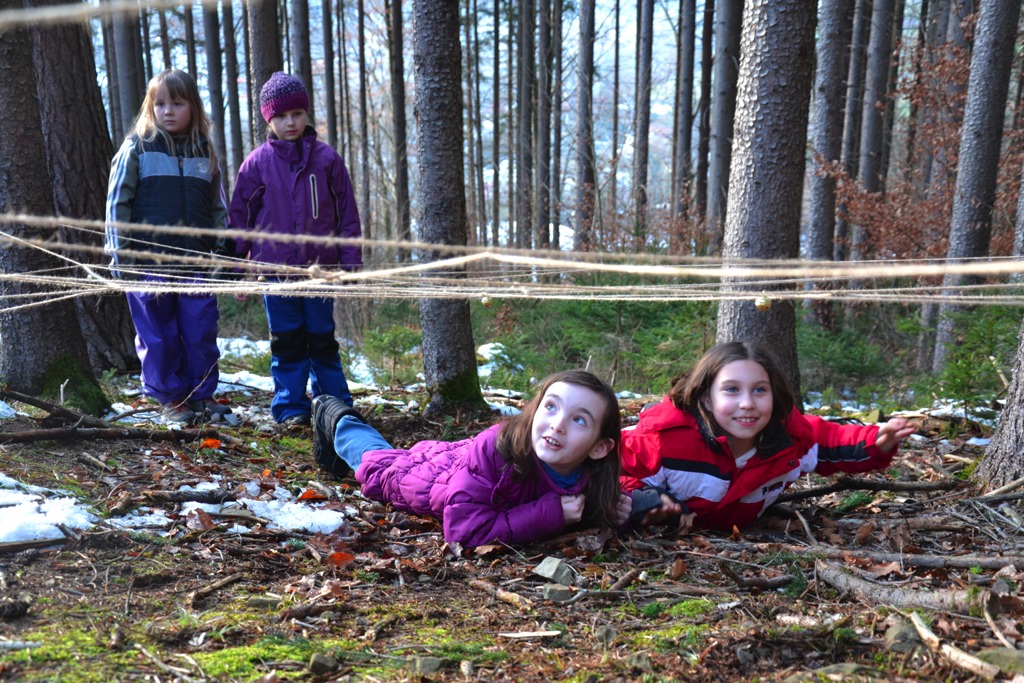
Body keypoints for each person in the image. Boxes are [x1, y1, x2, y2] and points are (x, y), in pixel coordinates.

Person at [311, 370, 632, 548]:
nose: (558, 424)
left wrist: (618, 509)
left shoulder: (590, 476)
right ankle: (336, 416)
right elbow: (463, 532)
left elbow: (597, 505)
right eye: (551, 407)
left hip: (459, 460)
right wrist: (550, 513)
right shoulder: (498, 449)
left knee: (386, 457)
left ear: (599, 448)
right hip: (426, 476)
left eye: (579, 420)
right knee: (377, 464)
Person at [621, 341, 917, 532]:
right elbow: (609, 470)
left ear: (774, 396)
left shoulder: (788, 439)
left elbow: (829, 440)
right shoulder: (664, 440)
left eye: (760, 390)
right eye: (731, 389)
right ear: (706, 398)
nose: (747, 403)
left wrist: (875, 440)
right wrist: (646, 500)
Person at [229, 72, 362, 426]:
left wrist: (350, 264)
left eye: (297, 114)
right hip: (276, 274)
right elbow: (240, 220)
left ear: (306, 114)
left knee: (322, 338)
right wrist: (237, 269)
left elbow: (347, 215)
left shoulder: (327, 160)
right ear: (268, 120)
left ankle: (334, 404)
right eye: (281, 116)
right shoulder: (256, 164)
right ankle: (290, 408)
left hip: (320, 272)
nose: (290, 123)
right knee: (286, 341)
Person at [105, 69, 232, 425]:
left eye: (177, 103)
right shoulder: (137, 147)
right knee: (159, 335)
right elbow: (117, 203)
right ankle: (170, 398)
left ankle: (201, 395)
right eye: (160, 104)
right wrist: (121, 255)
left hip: (195, 263)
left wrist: (222, 249)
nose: (168, 111)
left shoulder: (204, 151)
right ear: (151, 107)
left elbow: (217, 207)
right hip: (148, 263)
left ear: (193, 107)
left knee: (200, 330)